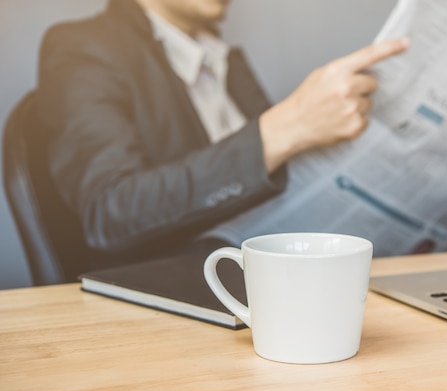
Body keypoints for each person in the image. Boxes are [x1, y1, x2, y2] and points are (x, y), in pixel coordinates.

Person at [33, 0, 409, 270]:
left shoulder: (227, 61)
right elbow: (110, 212)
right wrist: (283, 127)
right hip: (173, 301)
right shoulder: (82, 46)